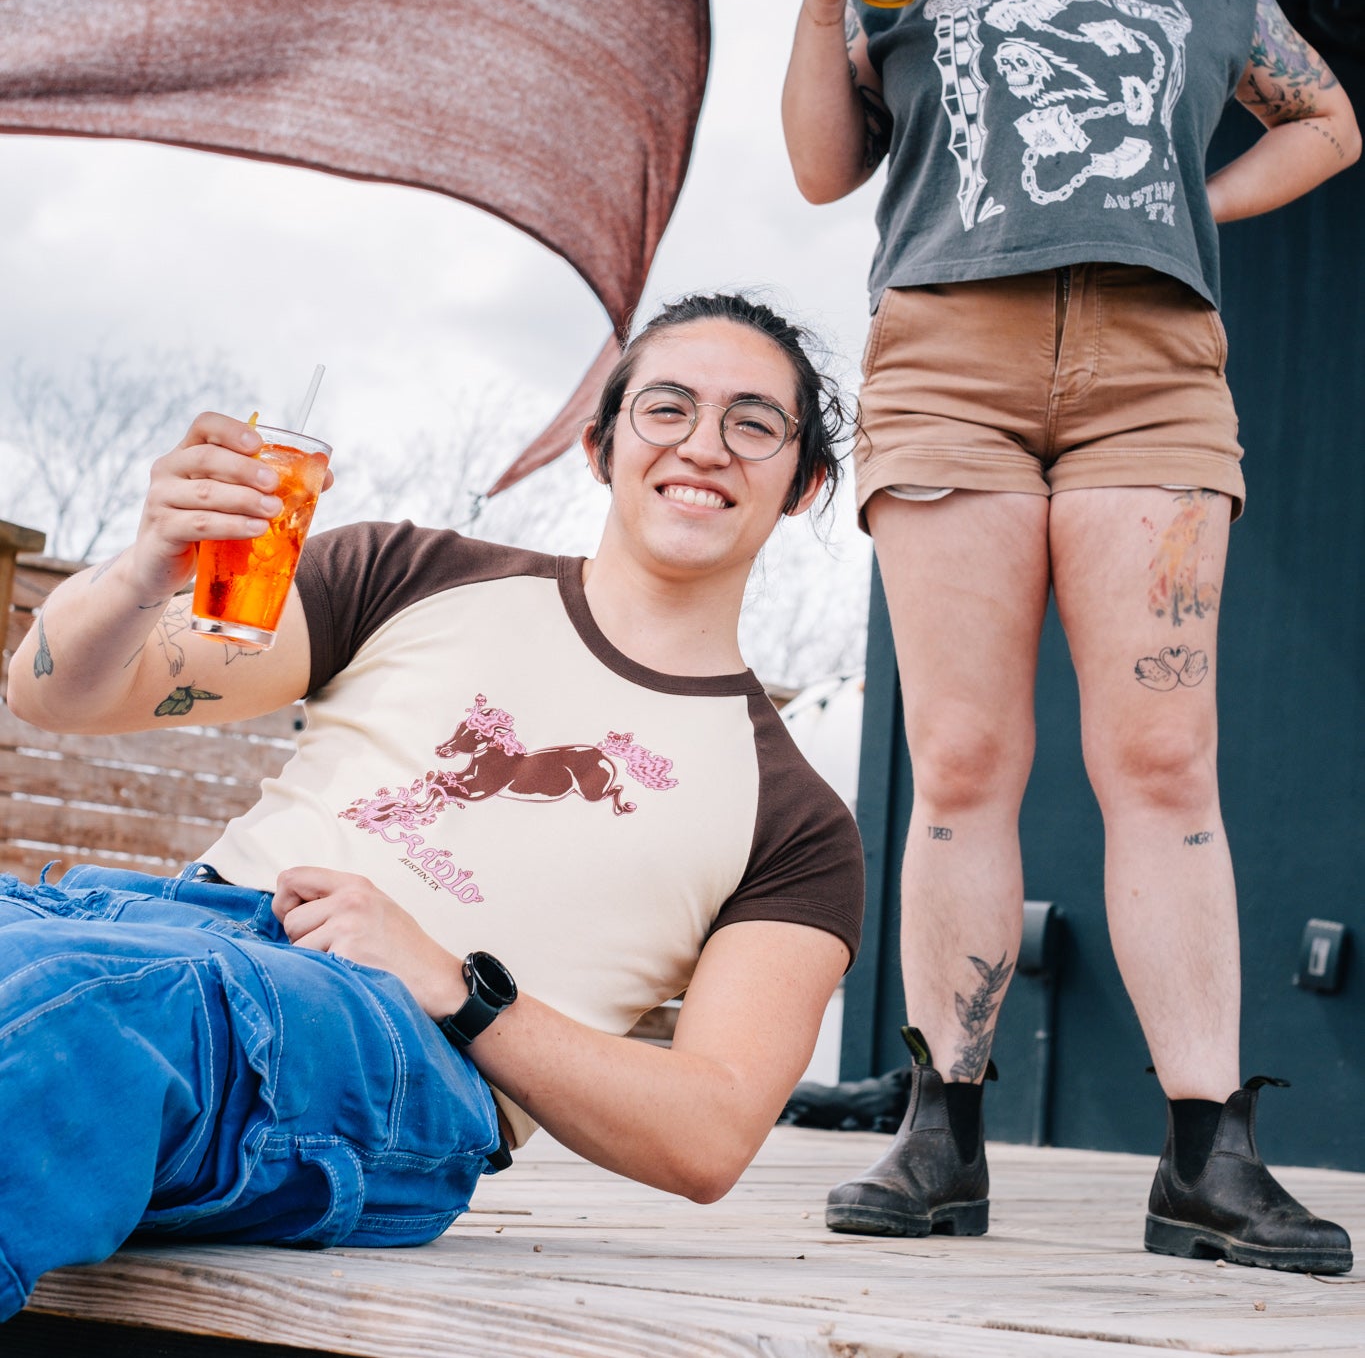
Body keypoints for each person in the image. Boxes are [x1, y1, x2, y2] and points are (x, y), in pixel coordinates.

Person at [781, 0, 1358, 1272]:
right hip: (950, 359)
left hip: (1153, 376)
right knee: (964, 758)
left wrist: (1200, 205)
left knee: (1163, 762)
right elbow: (826, 169)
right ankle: (938, 1130)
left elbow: (1330, 119)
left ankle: (1208, 1156)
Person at [0, 293, 864, 1320]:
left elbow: (710, 1135)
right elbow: (55, 691)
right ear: (601, 447)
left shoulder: (797, 823)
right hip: (150, 924)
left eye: (754, 423)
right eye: (667, 408)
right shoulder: (409, 575)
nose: (706, 445)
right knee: (60, 979)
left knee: (73, 1019)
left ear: (803, 482)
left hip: (401, 1054)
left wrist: (457, 984)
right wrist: (148, 563)